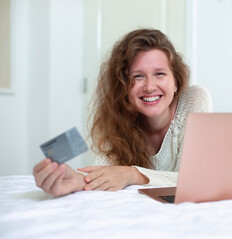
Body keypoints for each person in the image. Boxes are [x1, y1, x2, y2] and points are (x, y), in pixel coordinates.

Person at [33, 28, 212, 197]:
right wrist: (77, 180)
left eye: (159, 74)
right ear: (123, 86)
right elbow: (105, 172)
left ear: (176, 82)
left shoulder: (195, 99)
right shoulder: (116, 114)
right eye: (137, 76)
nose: (149, 87)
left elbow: (198, 178)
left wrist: (133, 174)